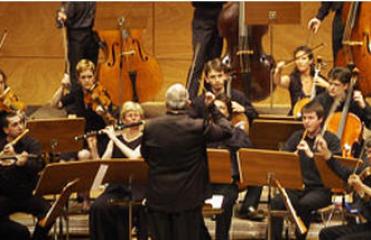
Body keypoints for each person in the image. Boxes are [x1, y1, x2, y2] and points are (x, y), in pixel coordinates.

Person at [141, 83, 232, 240]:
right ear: (188, 103)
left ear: (166, 103)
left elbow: (146, 155)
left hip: (158, 198)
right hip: (188, 200)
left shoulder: (151, 127)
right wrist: (212, 108)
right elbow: (226, 130)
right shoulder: (197, 126)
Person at [270, 100, 342, 240]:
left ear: (320, 119)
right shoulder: (297, 136)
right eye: (304, 118)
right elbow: (281, 160)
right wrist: (292, 157)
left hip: (321, 189)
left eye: (311, 118)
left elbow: (335, 168)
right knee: (276, 202)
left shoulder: (331, 140)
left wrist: (312, 155)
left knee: (305, 204)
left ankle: (299, 238)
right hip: (297, 187)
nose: (306, 122)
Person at [90, 101, 148, 240]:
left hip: (137, 188)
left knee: (122, 209)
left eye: (137, 115)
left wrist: (114, 138)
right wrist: (93, 148)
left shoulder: (145, 139)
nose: (134, 118)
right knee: (98, 207)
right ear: (123, 119)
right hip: (117, 187)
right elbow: (103, 164)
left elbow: (134, 157)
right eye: (130, 115)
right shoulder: (115, 140)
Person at [200, 94, 253, 240]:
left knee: (227, 201)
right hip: (204, 181)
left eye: (222, 108)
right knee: (188, 203)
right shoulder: (203, 132)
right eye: (215, 108)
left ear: (228, 113)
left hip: (226, 184)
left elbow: (246, 148)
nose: (218, 111)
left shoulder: (238, 133)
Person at [0, 112, 50, 240]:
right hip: (4, 195)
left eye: (21, 123)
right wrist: (8, 162)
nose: (20, 127)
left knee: (49, 212)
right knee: (19, 232)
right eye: (15, 124)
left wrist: (21, 161)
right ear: (6, 130)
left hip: (26, 195)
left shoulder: (31, 143)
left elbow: (39, 164)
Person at [51, 59, 114, 155]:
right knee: (80, 155)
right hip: (82, 136)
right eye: (83, 77)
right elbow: (55, 104)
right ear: (78, 79)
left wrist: (104, 114)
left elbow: (110, 122)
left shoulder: (102, 93)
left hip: (100, 135)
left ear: (94, 77)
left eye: (90, 77)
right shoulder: (77, 92)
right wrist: (62, 86)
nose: (87, 80)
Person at [316, 137, 371, 239]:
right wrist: (327, 154)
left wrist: (362, 190)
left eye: (370, 153)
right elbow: (345, 173)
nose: (368, 157)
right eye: (367, 153)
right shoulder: (367, 170)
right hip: (368, 225)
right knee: (325, 233)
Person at [190, 58, 258, 125]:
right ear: (207, 79)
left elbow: (254, 114)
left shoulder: (238, 96)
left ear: (225, 76)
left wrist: (243, 109)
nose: (217, 80)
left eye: (220, 76)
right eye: (212, 77)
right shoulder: (200, 101)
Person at [56, 2, 99, 95]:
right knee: (77, 71)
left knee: (91, 69)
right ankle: (77, 103)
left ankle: (91, 101)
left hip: (89, 34)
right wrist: (61, 18)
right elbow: (61, 18)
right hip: (76, 35)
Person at [273, 45, 329, 115]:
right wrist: (278, 70)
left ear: (310, 61)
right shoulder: (292, 79)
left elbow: (333, 91)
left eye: (303, 58)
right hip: (295, 117)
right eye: (297, 59)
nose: (299, 62)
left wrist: (326, 85)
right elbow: (277, 81)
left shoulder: (319, 79)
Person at [187, 2, 224, 100]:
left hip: (221, 15)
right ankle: (189, 100)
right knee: (198, 62)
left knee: (214, 63)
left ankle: (210, 99)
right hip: (202, 17)